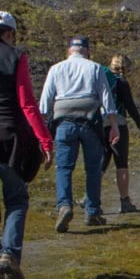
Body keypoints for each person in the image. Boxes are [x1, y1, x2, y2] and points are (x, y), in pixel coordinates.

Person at [0, 10, 55, 279]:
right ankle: (8, 256)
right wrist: (45, 141)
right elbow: (27, 103)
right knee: (17, 200)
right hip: (11, 140)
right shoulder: (16, 57)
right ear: (9, 33)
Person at [39, 36, 118, 231]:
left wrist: (41, 130)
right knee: (93, 168)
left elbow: (44, 102)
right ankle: (92, 211)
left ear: (69, 51)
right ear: (87, 51)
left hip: (64, 122)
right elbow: (106, 98)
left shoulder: (56, 69)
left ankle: (64, 205)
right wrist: (114, 125)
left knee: (64, 167)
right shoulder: (95, 68)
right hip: (90, 120)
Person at [102, 54, 140, 213]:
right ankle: (125, 202)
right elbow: (130, 106)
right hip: (119, 123)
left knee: (100, 163)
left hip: (100, 124)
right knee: (121, 164)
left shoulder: (99, 76)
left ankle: (89, 197)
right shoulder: (121, 82)